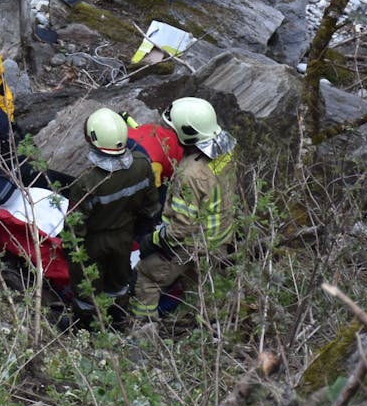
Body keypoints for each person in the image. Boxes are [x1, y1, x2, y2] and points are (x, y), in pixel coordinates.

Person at [132, 97, 239, 323]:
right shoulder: (226, 152)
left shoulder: (189, 174)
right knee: (203, 288)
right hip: (219, 240)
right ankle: (210, 332)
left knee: (147, 276)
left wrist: (153, 240)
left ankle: (142, 334)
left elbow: (181, 226)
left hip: (189, 246)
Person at [65, 108, 161, 317]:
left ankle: (87, 327)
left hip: (93, 241)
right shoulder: (142, 165)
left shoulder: (86, 183)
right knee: (118, 282)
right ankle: (117, 319)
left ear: (92, 140)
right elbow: (151, 206)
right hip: (124, 236)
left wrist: (72, 251)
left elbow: (74, 228)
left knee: (86, 288)